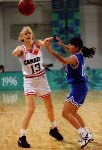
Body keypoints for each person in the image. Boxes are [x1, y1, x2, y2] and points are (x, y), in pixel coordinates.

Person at [12, 27, 63, 148]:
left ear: (32, 35)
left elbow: (42, 42)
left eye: (29, 33)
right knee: (31, 108)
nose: (28, 34)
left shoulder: (38, 44)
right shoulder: (21, 49)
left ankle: (53, 129)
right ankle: (22, 137)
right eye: (25, 33)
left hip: (42, 80)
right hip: (29, 81)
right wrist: (17, 50)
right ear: (22, 37)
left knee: (49, 107)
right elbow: (13, 53)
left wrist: (45, 43)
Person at [44, 36, 96, 148]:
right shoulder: (79, 55)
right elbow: (70, 50)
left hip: (78, 88)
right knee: (73, 113)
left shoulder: (73, 59)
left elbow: (63, 60)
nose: (70, 46)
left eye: (71, 45)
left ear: (76, 48)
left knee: (65, 113)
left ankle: (83, 134)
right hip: (81, 87)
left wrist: (50, 50)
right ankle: (88, 134)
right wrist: (63, 45)